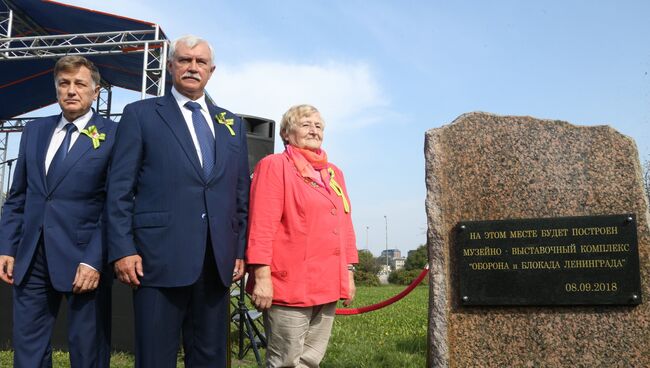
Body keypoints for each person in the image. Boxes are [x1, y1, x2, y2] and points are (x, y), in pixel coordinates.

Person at [106, 34, 250, 368]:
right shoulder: (140, 115)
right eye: (185, 60)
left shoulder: (232, 125)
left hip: (215, 264)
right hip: (156, 261)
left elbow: (240, 193)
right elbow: (119, 189)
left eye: (200, 62)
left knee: (211, 358)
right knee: (155, 357)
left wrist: (240, 250)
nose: (192, 67)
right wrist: (123, 249)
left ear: (211, 71)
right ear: (171, 66)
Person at [0, 55, 114, 368]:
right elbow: (18, 195)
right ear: (56, 89)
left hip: (84, 260)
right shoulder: (35, 131)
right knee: (28, 353)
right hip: (32, 257)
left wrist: (94, 259)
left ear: (95, 91)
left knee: (87, 352)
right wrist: (7, 246)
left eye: (80, 84)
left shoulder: (115, 135)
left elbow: (114, 205)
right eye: (64, 83)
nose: (71, 90)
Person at [246, 104, 358, 368]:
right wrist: (262, 277)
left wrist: (348, 273)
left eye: (318, 126)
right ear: (287, 133)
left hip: (328, 284)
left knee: (310, 361)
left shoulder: (334, 173)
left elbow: (345, 224)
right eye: (306, 124)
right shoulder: (274, 166)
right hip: (289, 285)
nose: (314, 130)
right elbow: (261, 225)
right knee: (285, 362)